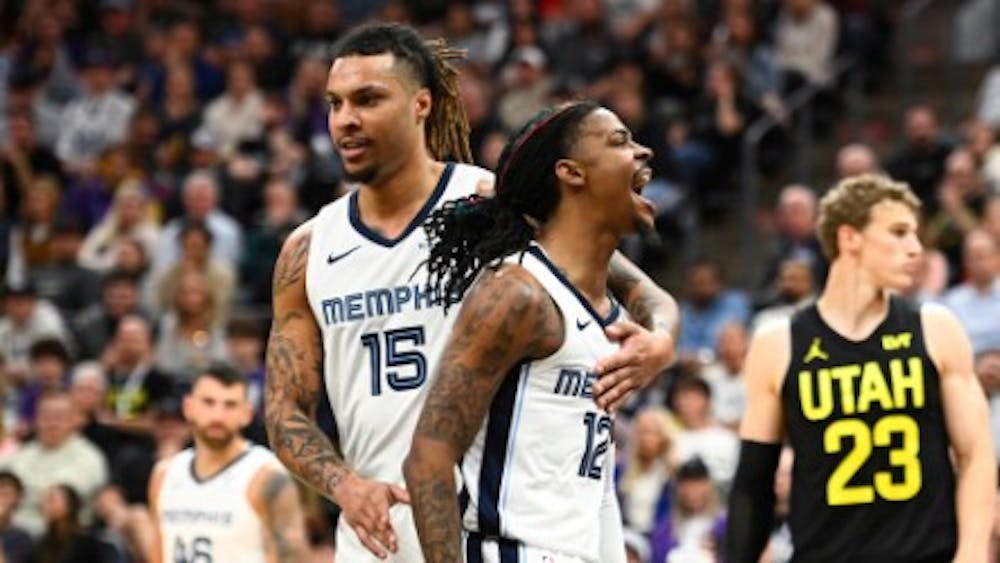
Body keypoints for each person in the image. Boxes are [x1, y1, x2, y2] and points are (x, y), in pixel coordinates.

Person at [265, 23, 678, 562]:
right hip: (377, 536)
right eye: (335, 103)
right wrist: (344, 484)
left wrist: (662, 342)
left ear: (421, 104)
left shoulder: (488, 201)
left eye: (368, 99)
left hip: (488, 528)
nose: (346, 119)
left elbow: (638, 288)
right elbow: (283, 409)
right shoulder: (308, 249)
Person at [403, 100, 660, 562]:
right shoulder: (516, 294)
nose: (644, 153)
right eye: (620, 141)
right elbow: (428, 458)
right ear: (572, 173)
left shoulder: (602, 306)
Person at [726, 174, 996, 561]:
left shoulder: (936, 328)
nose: (916, 248)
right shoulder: (778, 343)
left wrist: (971, 554)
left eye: (916, 234)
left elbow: (976, 454)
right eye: (899, 232)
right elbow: (753, 483)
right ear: (850, 238)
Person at [148, 364, 309, 563]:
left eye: (230, 405)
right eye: (208, 402)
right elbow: (158, 553)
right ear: (188, 407)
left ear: (247, 414)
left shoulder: (266, 476)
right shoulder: (164, 474)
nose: (218, 415)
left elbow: (292, 557)